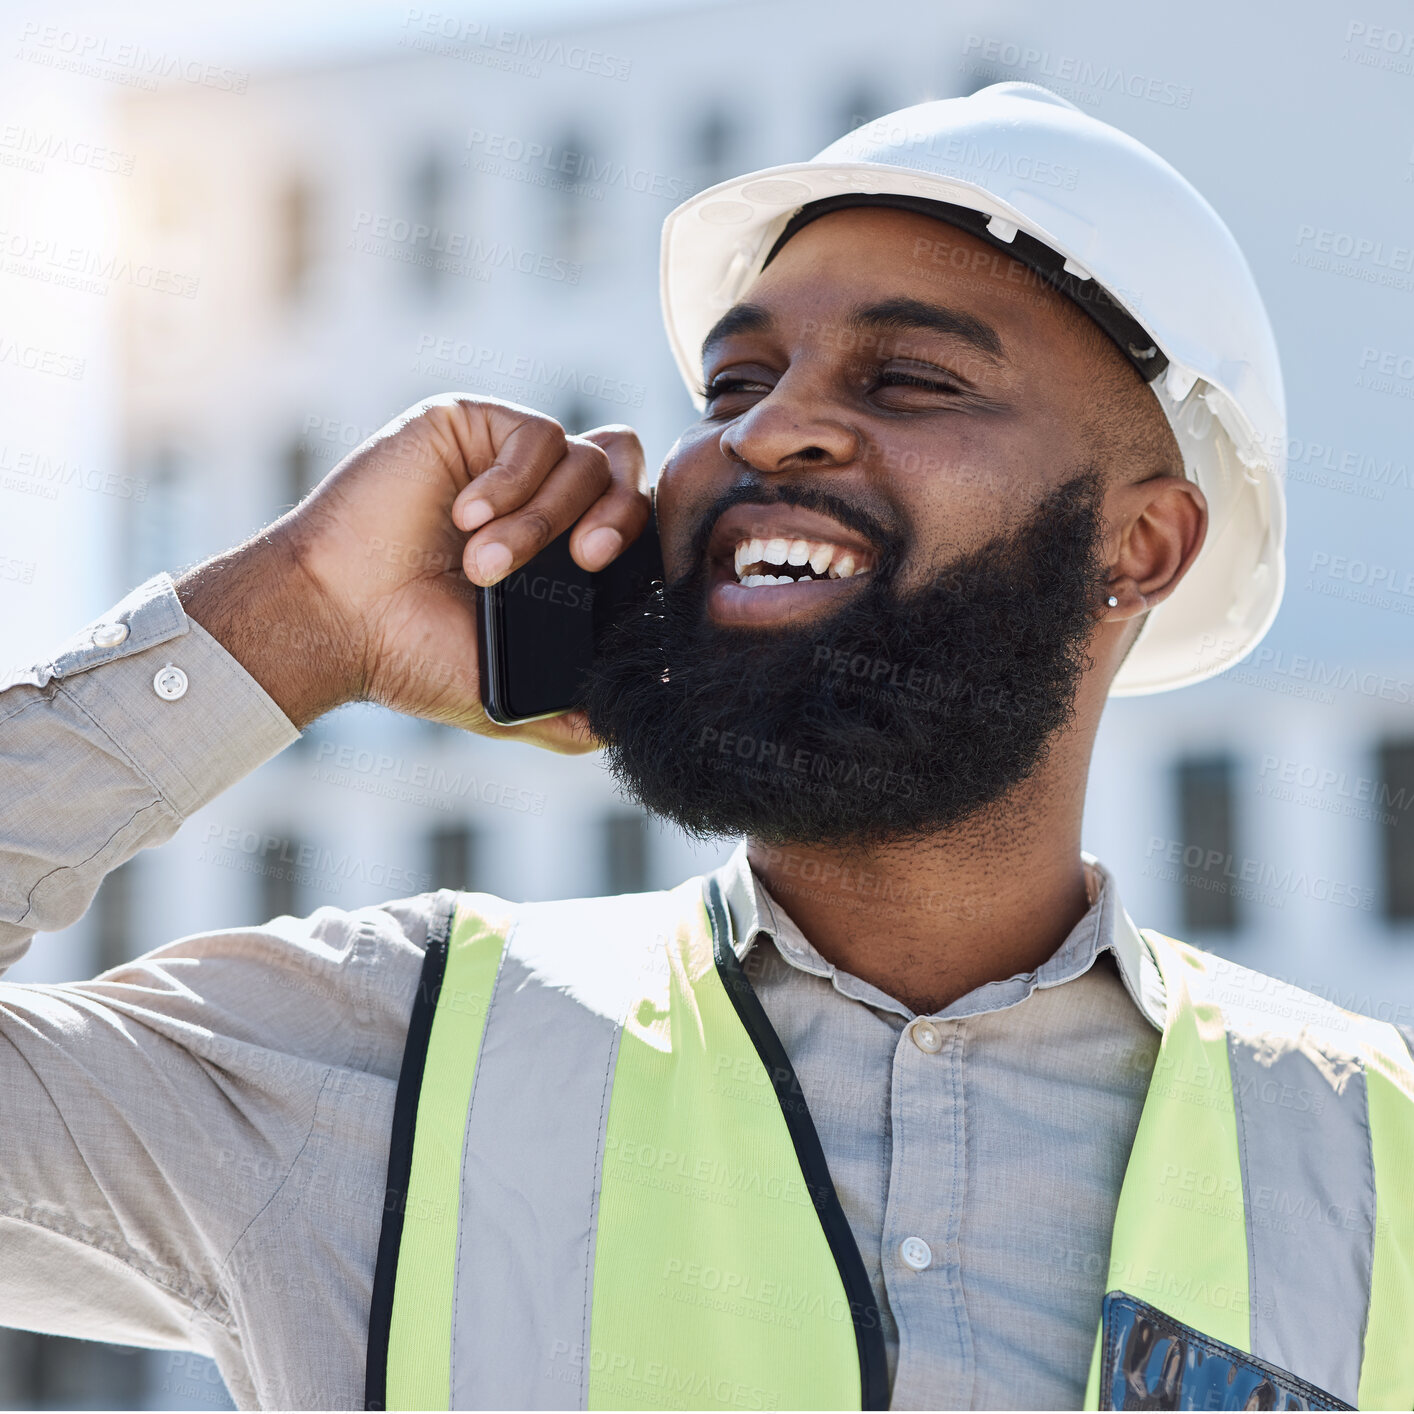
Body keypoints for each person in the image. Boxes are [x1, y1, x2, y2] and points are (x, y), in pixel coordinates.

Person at [1, 82, 1410, 1414]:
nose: (772, 426)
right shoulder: (376, 1056)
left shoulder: (1373, 1150)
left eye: (911, 378)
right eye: (734, 382)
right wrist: (297, 613)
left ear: (1140, 542)